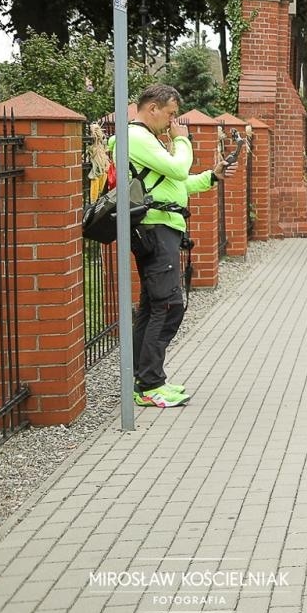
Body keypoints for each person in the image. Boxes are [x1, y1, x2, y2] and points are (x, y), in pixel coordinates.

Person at [110, 83, 231, 408]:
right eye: (171, 114)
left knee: (154, 307)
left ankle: (142, 379)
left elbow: (175, 183)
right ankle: (149, 384)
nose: (173, 121)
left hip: (163, 227)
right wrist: (182, 140)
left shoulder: (146, 140)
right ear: (152, 108)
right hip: (155, 229)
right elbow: (178, 168)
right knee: (168, 306)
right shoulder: (136, 138)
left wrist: (211, 177)